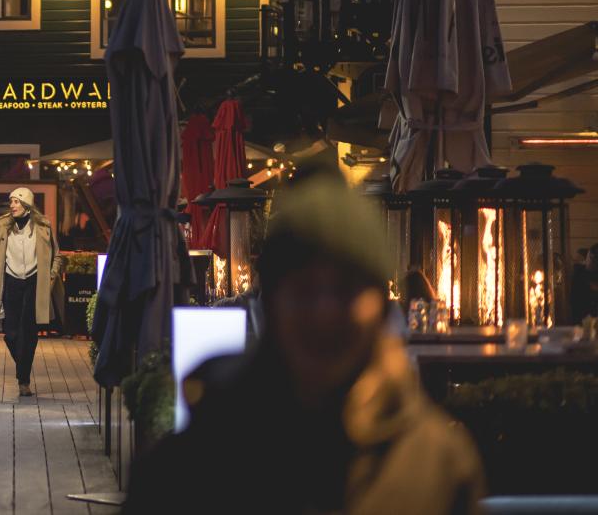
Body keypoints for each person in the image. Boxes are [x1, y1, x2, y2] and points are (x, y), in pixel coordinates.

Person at [125, 176, 484, 515]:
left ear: (379, 306)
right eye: (305, 290)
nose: (324, 314)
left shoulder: (438, 464)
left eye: (345, 291)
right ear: (271, 303)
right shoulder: (190, 464)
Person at [0, 187, 63, 397]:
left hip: (34, 283)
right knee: (10, 334)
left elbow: (57, 255)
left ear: (27, 205)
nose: (12, 205)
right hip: (11, 281)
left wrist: (50, 277)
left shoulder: (42, 227)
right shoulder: (4, 227)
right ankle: (23, 367)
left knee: (29, 333)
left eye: (16, 202)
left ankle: (23, 380)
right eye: (10, 201)